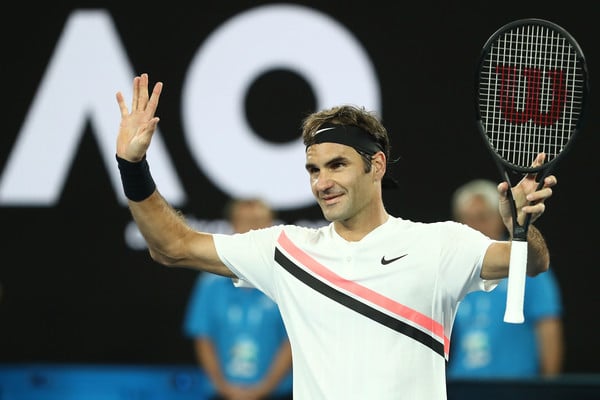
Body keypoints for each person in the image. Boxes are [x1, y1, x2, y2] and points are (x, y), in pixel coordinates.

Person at [115, 73, 557, 399]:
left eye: (337, 165)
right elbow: (172, 247)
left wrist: (524, 229)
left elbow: (532, 263)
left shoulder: (439, 245)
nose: (321, 181)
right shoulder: (287, 251)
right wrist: (132, 168)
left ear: (377, 165)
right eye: (313, 169)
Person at [447, 179, 564, 379]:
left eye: (482, 217)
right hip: (461, 385)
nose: (473, 226)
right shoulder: (452, 267)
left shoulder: (525, 262)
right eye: (466, 219)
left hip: (515, 387)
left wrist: (548, 390)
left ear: (499, 218)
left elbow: (548, 327)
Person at [182, 198, 293, 400]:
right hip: (222, 394)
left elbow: (293, 340)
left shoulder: (288, 280)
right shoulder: (210, 283)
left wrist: (263, 389)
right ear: (232, 226)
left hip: (278, 393)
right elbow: (203, 338)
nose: (252, 229)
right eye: (245, 222)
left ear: (271, 227)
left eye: (258, 222)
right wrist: (223, 388)